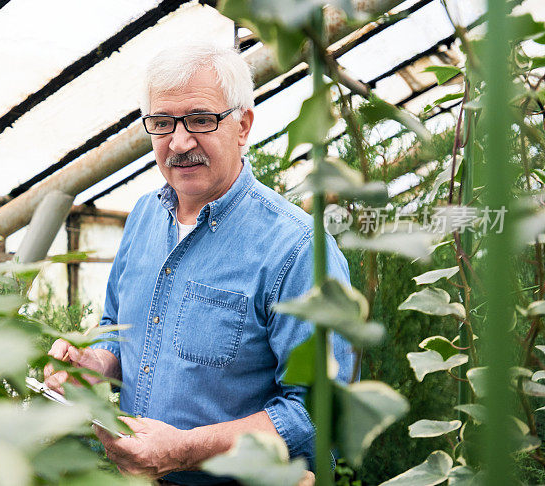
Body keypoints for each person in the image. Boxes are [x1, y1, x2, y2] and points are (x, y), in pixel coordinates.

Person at [44, 44, 355, 485]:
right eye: (162, 123)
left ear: (243, 125)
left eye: (201, 119)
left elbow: (318, 413)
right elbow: (120, 330)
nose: (180, 141)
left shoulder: (299, 250)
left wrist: (185, 450)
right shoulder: (143, 218)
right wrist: (93, 364)